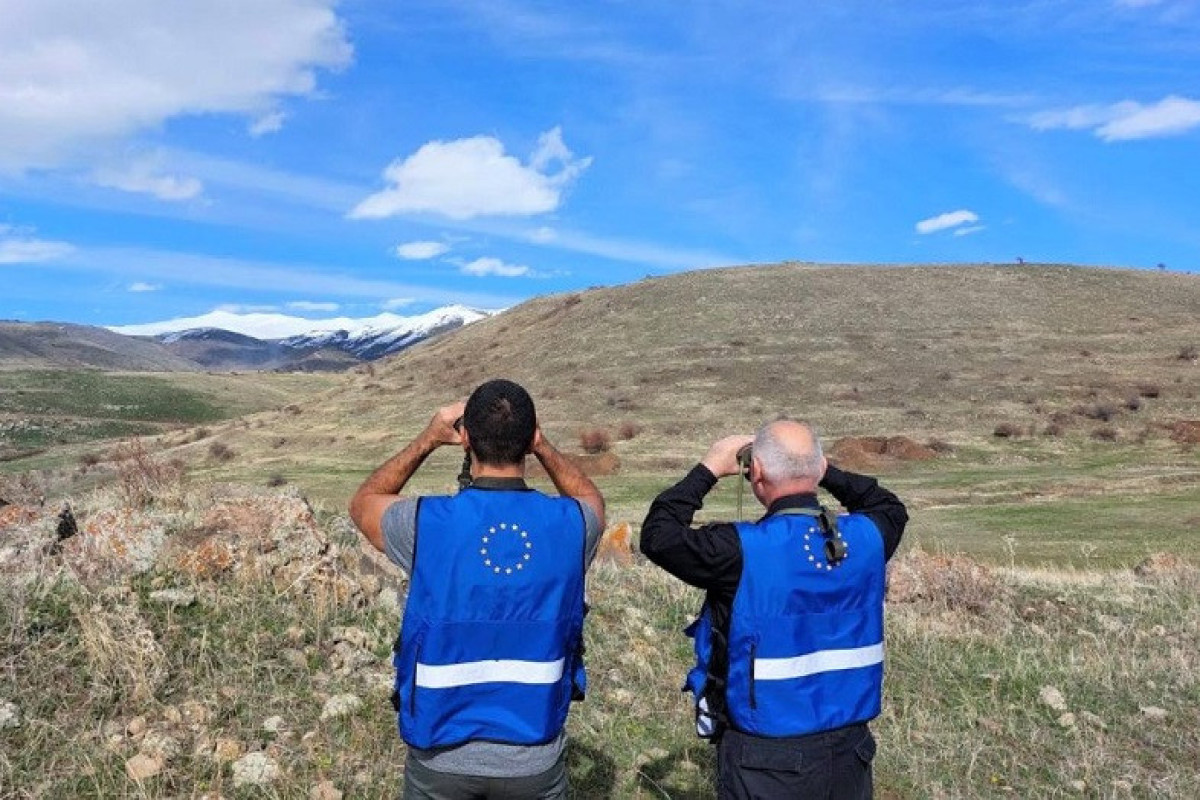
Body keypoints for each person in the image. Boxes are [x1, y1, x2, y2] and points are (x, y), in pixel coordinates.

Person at [350, 378, 606, 799]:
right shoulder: (573, 524)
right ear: (529, 440)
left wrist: (428, 440)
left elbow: (365, 501)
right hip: (534, 755)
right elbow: (592, 499)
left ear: (465, 438)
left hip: (439, 753)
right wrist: (542, 445)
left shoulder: (424, 523)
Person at [640, 419, 907, 799]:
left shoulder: (741, 550)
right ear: (818, 468)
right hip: (850, 752)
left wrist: (710, 467)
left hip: (765, 757)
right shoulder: (869, 537)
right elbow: (888, 504)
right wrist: (819, 468)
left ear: (757, 471)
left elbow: (658, 536)